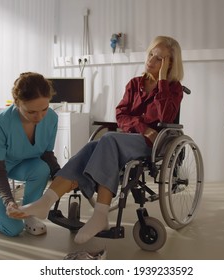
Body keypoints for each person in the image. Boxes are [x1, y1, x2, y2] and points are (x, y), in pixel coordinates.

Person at [10, 36, 184, 244]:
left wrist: (163, 80)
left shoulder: (174, 88)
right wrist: (141, 127)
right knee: (94, 145)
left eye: (160, 59)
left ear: (169, 64)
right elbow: (121, 115)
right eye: (150, 54)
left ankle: (99, 215)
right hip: (127, 138)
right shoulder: (135, 84)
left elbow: (165, 117)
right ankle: (47, 201)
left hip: (153, 144)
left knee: (108, 139)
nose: (151, 61)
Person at [0, 72, 60, 237]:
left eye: (44, 109)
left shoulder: (52, 118)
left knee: (42, 168)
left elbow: (47, 155)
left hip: (21, 162)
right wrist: (9, 202)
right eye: (31, 111)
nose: (40, 116)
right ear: (18, 103)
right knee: (12, 228)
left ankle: (29, 215)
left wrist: (59, 173)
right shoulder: (0, 123)